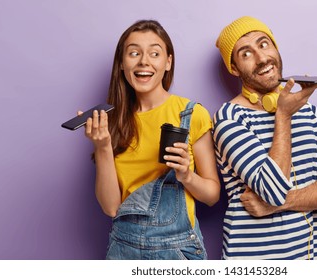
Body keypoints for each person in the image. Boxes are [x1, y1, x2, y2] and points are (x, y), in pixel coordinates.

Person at [80, 19, 220, 260]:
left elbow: (212, 195)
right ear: (122, 64)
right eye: (134, 53)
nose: (144, 61)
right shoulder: (110, 121)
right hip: (124, 250)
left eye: (154, 53)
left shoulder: (191, 114)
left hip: (178, 252)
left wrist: (187, 175)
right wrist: (102, 146)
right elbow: (110, 207)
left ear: (168, 62)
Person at [213, 16, 317, 260]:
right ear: (234, 68)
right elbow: (272, 190)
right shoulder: (229, 118)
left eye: (264, 44)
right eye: (246, 53)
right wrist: (282, 115)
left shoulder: (308, 111)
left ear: (275, 47)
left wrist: (279, 205)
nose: (262, 58)